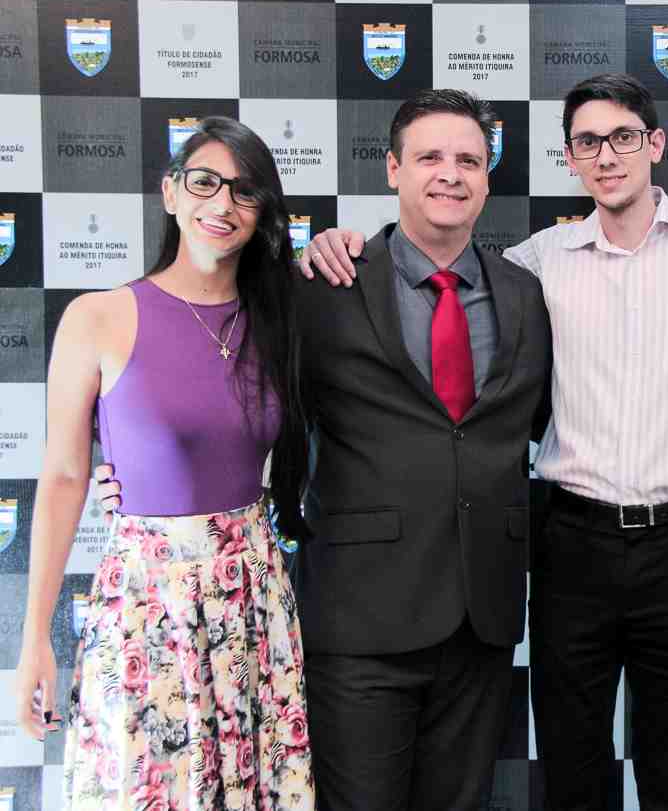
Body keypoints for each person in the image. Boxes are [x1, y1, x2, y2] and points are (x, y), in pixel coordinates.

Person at [300, 73, 668, 810]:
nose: (607, 155)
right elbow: (433, 258)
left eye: (623, 136)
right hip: (570, 545)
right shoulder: (534, 264)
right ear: (570, 158)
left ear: (656, 144)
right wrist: (338, 241)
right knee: (572, 771)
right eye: (588, 142)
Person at [96, 90, 553, 810]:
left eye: (469, 160)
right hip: (357, 619)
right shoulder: (320, 284)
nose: (450, 173)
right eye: (430, 157)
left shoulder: (525, 294)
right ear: (393, 169)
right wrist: (143, 469)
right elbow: (218, 383)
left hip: (484, 621)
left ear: (488, 178)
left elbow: (547, 423)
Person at [14, 116, 314, 809]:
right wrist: (36, 641)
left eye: (244, 191)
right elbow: (64, 478)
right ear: (171, 192)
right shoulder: (97, 317)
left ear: (262, 213)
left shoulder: (281, 319)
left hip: (253, 601)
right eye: (204, 182)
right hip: (148, 605)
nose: (222, 203)